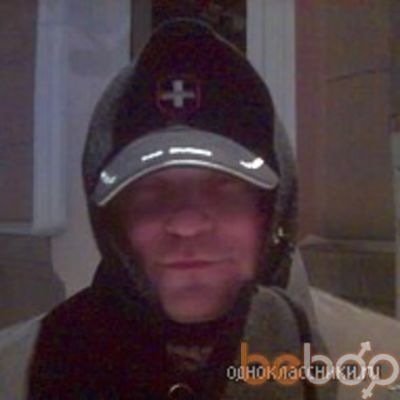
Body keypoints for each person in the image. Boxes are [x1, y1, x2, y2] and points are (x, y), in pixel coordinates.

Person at [27, 19, 336, 399]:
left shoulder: (366, 364)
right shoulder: (38, 364)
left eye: (224, 189)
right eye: (150, 193)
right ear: (113, 225)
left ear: (271, 216)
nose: (187, 222)